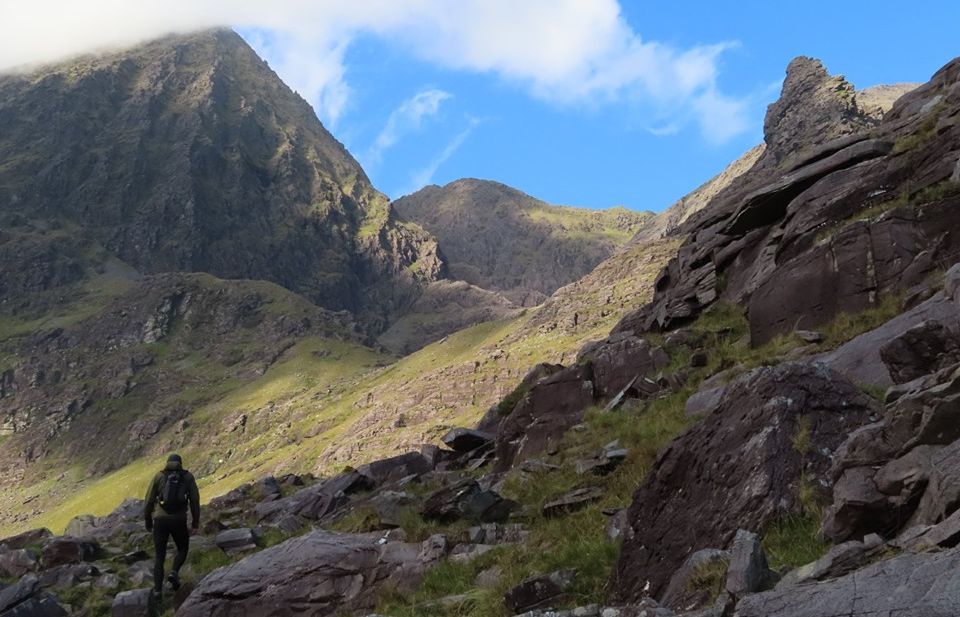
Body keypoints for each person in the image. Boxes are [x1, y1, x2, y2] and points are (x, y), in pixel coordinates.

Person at [143, 453, 200, 595]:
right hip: (179, 520)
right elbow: (194, 501)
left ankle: (157, 592)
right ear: (180, 463)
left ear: (167, 463)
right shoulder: (187, 477)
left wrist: (148, 520)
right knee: (182, 548)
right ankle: (174, 572)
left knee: (159, 556)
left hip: (160, 520)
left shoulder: (159, 476)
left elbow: (149, 500)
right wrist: (195, 523)